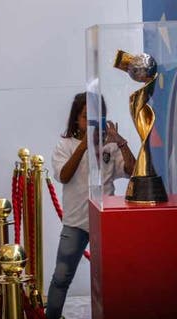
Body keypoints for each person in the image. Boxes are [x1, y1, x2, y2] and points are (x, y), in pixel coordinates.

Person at [46, 93, 135, 319]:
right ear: (76, 119)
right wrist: (83, 146)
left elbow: (133, 172)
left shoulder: (111, 146)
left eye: (98, 117)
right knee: (61, 277)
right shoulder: (64, 144)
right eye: (87, 117)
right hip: (75, 223)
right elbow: (64, 176)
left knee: (111, 278)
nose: (92, 122)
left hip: (105, 222)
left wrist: (121, 142)